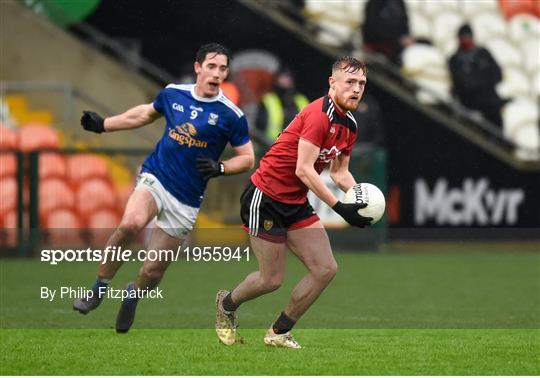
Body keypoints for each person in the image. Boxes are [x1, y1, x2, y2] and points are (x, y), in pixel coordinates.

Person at [73, 43, 255, 333]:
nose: (217, 73)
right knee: (130, 225)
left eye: (223, 68)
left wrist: (221, 167)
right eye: (211, 66)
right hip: (155, 176)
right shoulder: (173, 94)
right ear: (198, 67)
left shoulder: (231, 115)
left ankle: (132, 296)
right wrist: (103, 125)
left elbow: (247, 158)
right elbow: (144, 114)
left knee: (152, 270)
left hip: (186, 198)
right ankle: (98, 288)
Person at [215, 56, 372, 349]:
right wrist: (339, 208)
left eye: (361, 83)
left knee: (325, 268)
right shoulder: (317, 115)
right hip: (266, 196)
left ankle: (278, 332)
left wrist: (361, 197)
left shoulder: (349, 124)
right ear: (332, 83)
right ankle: (227, 304)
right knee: (270, 279)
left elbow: (340, 172)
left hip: (295, 201)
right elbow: (303, 169)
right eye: (350, 82)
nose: (356, 88)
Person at [449, 24, 505, 127]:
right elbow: (462, 84)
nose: (466, 40)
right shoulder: (455, 59)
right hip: (470, 102)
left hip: (490, 100)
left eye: (468, 36)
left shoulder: (483, 53)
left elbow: (498, 74)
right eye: (463, 37)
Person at [255, 67, 309, 142]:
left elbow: (310, 127)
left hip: (294, 147)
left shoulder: (301, 101)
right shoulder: (269, 99)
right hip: (269, 144)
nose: (285, 81)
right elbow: (259, 125)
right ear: (276, 80)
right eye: (282, 78)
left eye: (288, 78)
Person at [361, 0, 414, 65]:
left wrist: (406, 36)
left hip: (396, 46)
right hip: (378, 45)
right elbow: (373, 27)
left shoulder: (399, 2)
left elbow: (405, 22)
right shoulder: (373, 3)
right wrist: (397, 39)